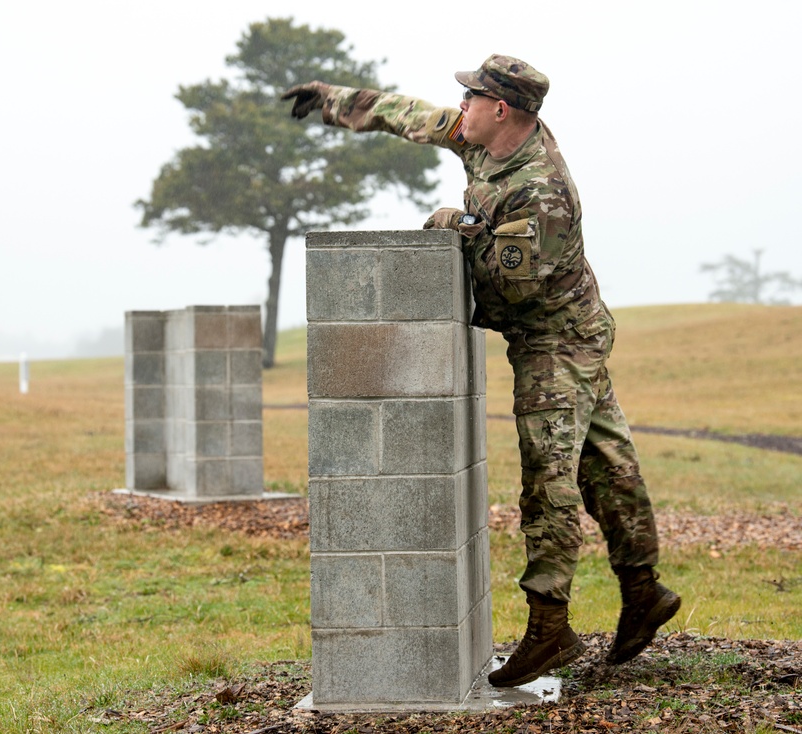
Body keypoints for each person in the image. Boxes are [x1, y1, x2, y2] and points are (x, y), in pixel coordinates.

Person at [282, 54, 681, 688]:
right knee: (608, 465)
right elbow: (412, 117)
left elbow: (510, 290)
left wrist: (461, 226)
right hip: (568, 328)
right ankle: (645, 593)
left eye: (470, 98)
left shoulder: (539, 189)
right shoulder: (481, 141)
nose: (459, 108)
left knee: (549, 481)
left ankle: (550, 627)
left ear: (502, 109)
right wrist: (333, 98)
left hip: (556, 341)